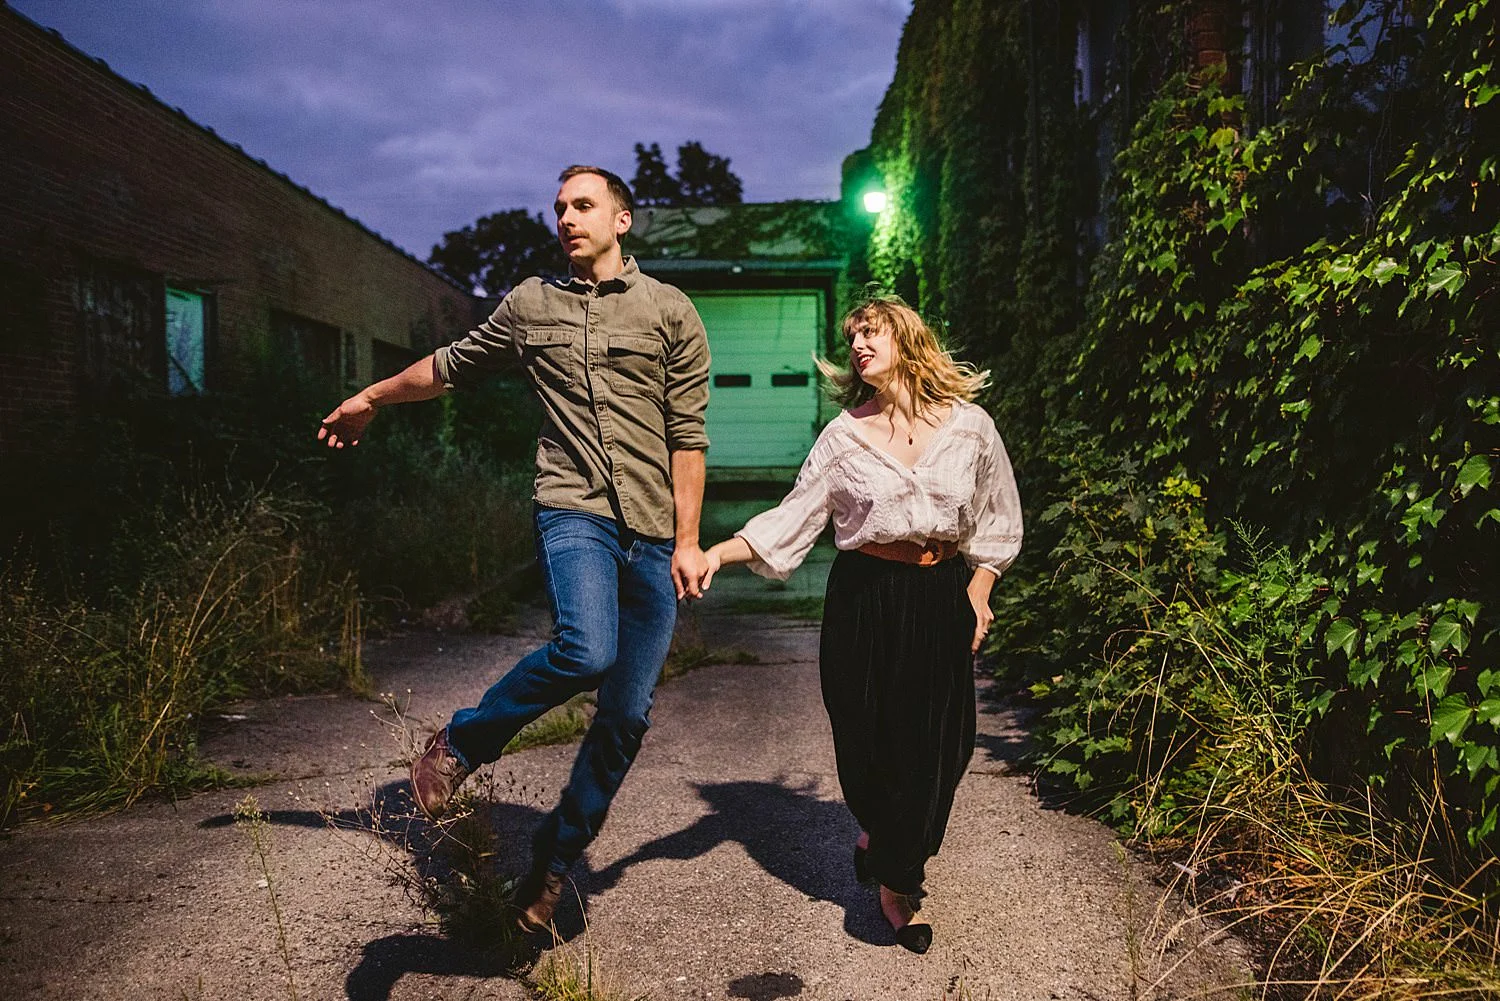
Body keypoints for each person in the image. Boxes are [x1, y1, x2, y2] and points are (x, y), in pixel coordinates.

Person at [317, 165, 712, 934]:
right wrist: (369, 397)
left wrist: (690, 541)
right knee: (586, 648)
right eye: (559, 207)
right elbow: (448, 367)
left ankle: (550, 865)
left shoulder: (670, 311)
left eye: (583, 205)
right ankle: (461, 742)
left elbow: (687, 435)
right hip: (574, 509)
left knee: (626, 717)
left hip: (654, 529)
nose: (566, 217)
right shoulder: (531, 304)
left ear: (622, 219)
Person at [698, 295, 1021, 954]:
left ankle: (894, 862)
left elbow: (999, 513)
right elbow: (791, 518)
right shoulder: (843, 436)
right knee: (865, 735)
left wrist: (980, 587)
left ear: (908, 341)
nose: (858, 346)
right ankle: (893, 871)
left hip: (940, 594)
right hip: (863, 597)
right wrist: (715, 553)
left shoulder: (970, 426)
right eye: (853, 338)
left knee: (941, 746)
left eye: (871, 333)